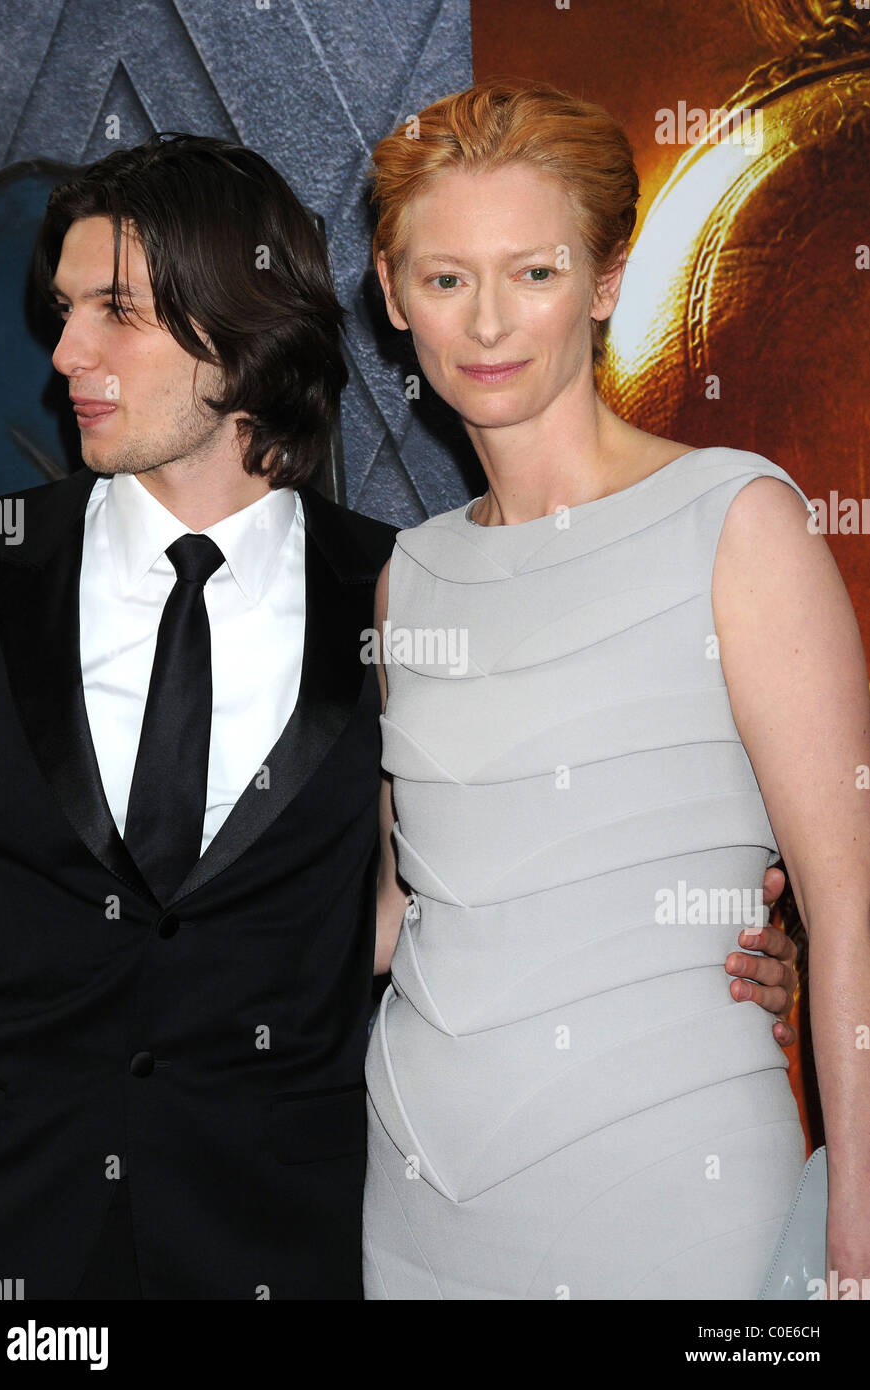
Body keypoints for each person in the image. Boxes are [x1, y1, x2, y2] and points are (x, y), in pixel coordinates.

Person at [0, 129, 797, 1302]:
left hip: (290, 1245)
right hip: (4, 1251)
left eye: (116, 311)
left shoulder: (402, 590)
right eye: (64, 308)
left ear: (244, 325)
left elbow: (465, 871)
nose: (66, 353)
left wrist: (723, 934)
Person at [363, 79, 870, 1299]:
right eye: (444, 278)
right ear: (390, 297)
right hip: (416, 1195)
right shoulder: (409, 575)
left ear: (600, 283)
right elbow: (400, 911)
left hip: (670, 1182)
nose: (487, 322)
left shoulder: (734, 522)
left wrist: (855, 1230)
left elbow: (850, 908)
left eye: (532, 273)